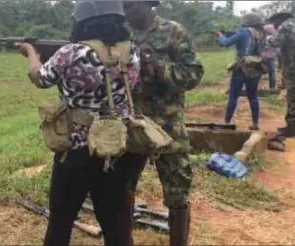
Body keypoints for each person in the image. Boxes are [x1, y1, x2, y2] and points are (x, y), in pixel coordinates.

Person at [16, 1, 144, 245]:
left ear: (84, 21)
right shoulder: (131, 52)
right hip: (116, 148)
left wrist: (31, 53)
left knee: (61, 221)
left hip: (76, 151)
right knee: (117, 225)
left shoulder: (71, 53)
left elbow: (40, 78)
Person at [122, 1, 204, 245]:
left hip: (168, 126)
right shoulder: (122, 34)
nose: (127, 13)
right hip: (133, 124)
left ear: (148, 5)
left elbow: (194, 74)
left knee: (177, 191)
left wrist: (158, 66)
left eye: (131, 6)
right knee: (122, 186)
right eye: (123, 7)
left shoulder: (173, 32)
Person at [214, 13, 266, 131]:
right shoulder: (262, 33)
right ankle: (255, 123)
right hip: (256, 67)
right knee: (253, 97)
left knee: (233, 96)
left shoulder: (243, 32)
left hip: (241, 69)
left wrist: (219, 35)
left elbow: (226, 43)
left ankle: (227, 122)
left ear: (247, 22)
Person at [264, 12, 295, 138]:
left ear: (278, 20)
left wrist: (267, 37)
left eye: (273, 22)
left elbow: (276, 43)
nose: (272, 25)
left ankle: (291, 128)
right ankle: (292, 126)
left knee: (294, 95)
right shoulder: (291, 26)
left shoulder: (285, 27)